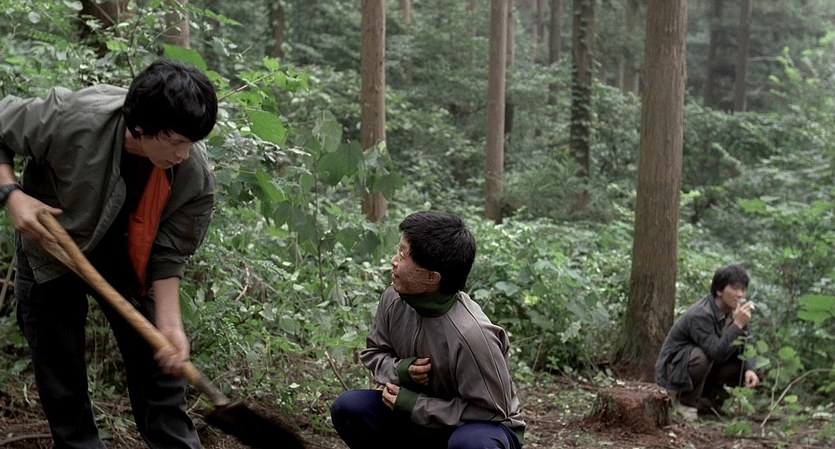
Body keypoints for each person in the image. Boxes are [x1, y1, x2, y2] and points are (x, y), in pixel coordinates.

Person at [0, 59, 218, 449]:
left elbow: (170, 253)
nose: (185, 154)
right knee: (62, 380)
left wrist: (170, 326)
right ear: (140, 128)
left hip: (131, 259)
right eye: (176, 142)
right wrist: (11, 195)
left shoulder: (192, 172)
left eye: (192, 141)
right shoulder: (72, 118)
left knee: (161, 376)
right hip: (51, 249)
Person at [331, 211, 525, 449]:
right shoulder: (393, 298)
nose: (393, 260)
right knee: (349, 408)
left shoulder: (473, 335)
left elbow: (491, 412)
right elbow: (374, 353)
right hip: (418, 423)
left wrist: (416, 405)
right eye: (398, 250)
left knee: (473, 443)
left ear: (431, 277)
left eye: (403, 255)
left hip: (480, 429)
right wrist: (401, 371)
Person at [655, 264, 760, 415]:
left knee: (746, 362)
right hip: (675, 368)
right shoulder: (701, 314)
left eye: (743, 289)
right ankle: (683, 402)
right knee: (701, 357)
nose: (740, 294)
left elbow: (748, 342)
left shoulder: (735, 312)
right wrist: (737, 325)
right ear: (719, 290)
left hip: (707, 367)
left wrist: (750, 369)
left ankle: (709, 401)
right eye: (735, 288)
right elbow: (716, 352)